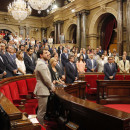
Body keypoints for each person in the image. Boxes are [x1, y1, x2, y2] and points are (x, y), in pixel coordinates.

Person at [34, 48, 55, 126]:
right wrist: (52, 87)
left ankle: (41, 123)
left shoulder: (42, 63)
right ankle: (40, 126)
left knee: (42, 110)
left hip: (43, 89)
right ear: (41, 55)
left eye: (48, 53)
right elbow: (46, 79)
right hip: (42, 90)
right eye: (46, 53)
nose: (48, 54)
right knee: (42, 111)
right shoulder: (41, 64)